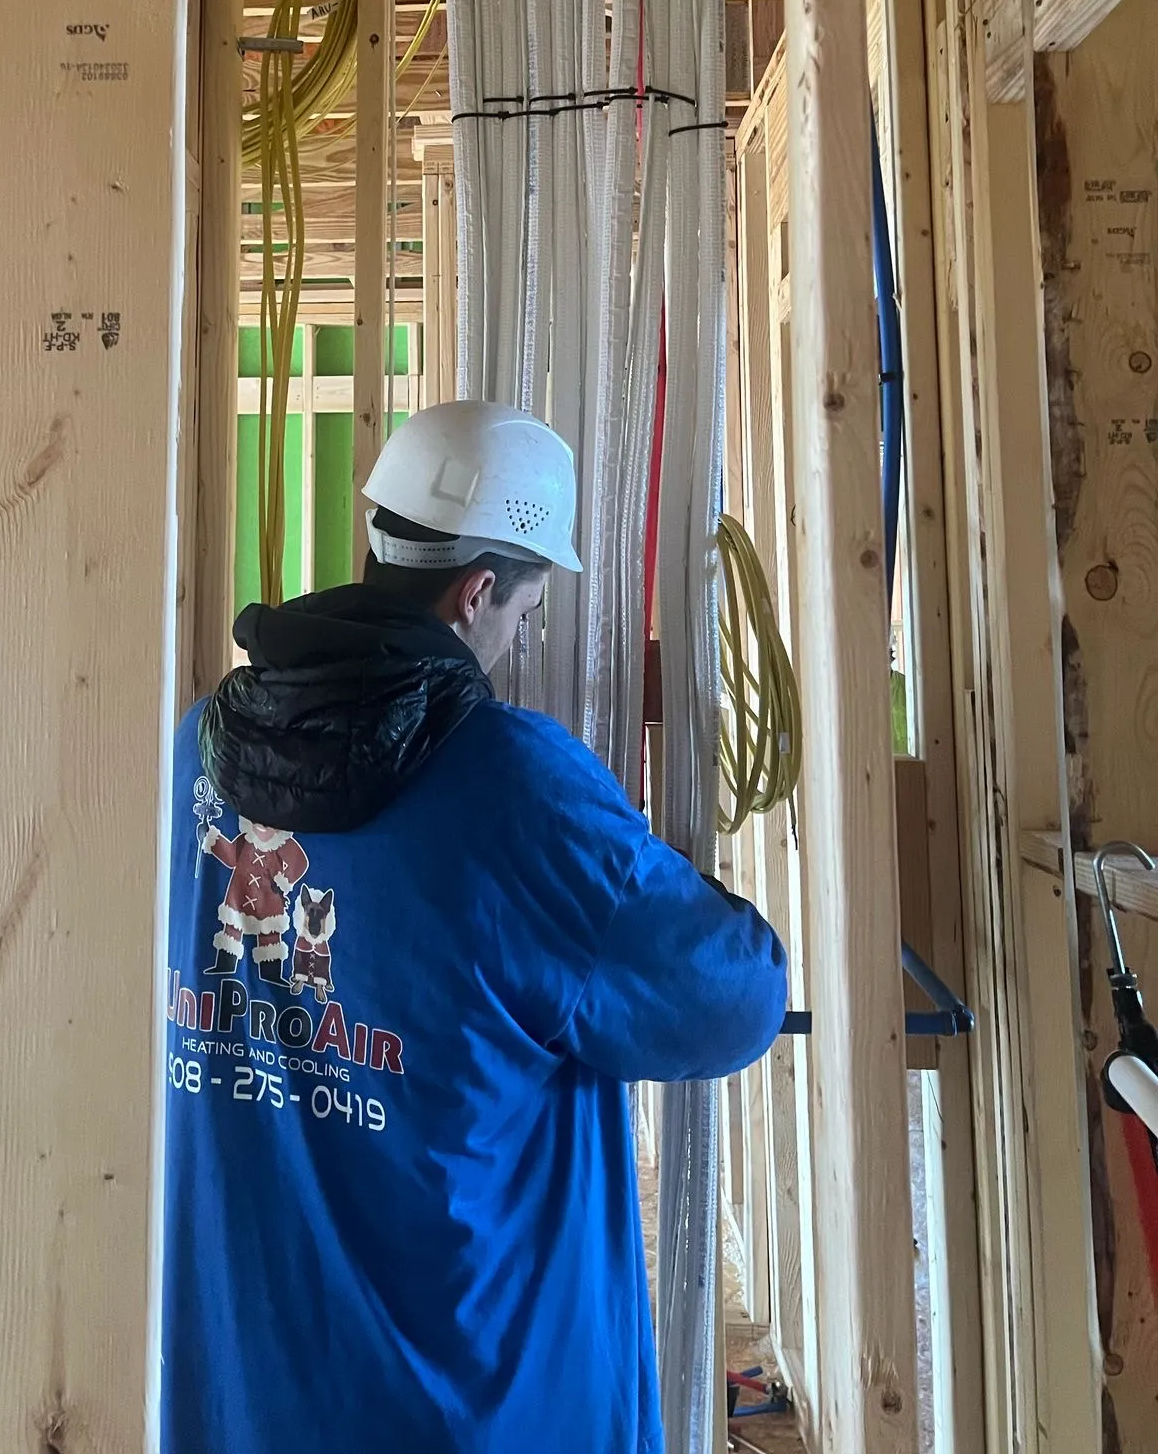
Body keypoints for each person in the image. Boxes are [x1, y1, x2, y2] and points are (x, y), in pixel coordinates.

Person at [162, 400, 787, 1454]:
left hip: (243, 1390)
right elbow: (734, 996)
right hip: (468, 1406)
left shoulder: (206, 747)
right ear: (477, 590)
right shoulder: (514, 785)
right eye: (525, 609)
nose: (518, 638)